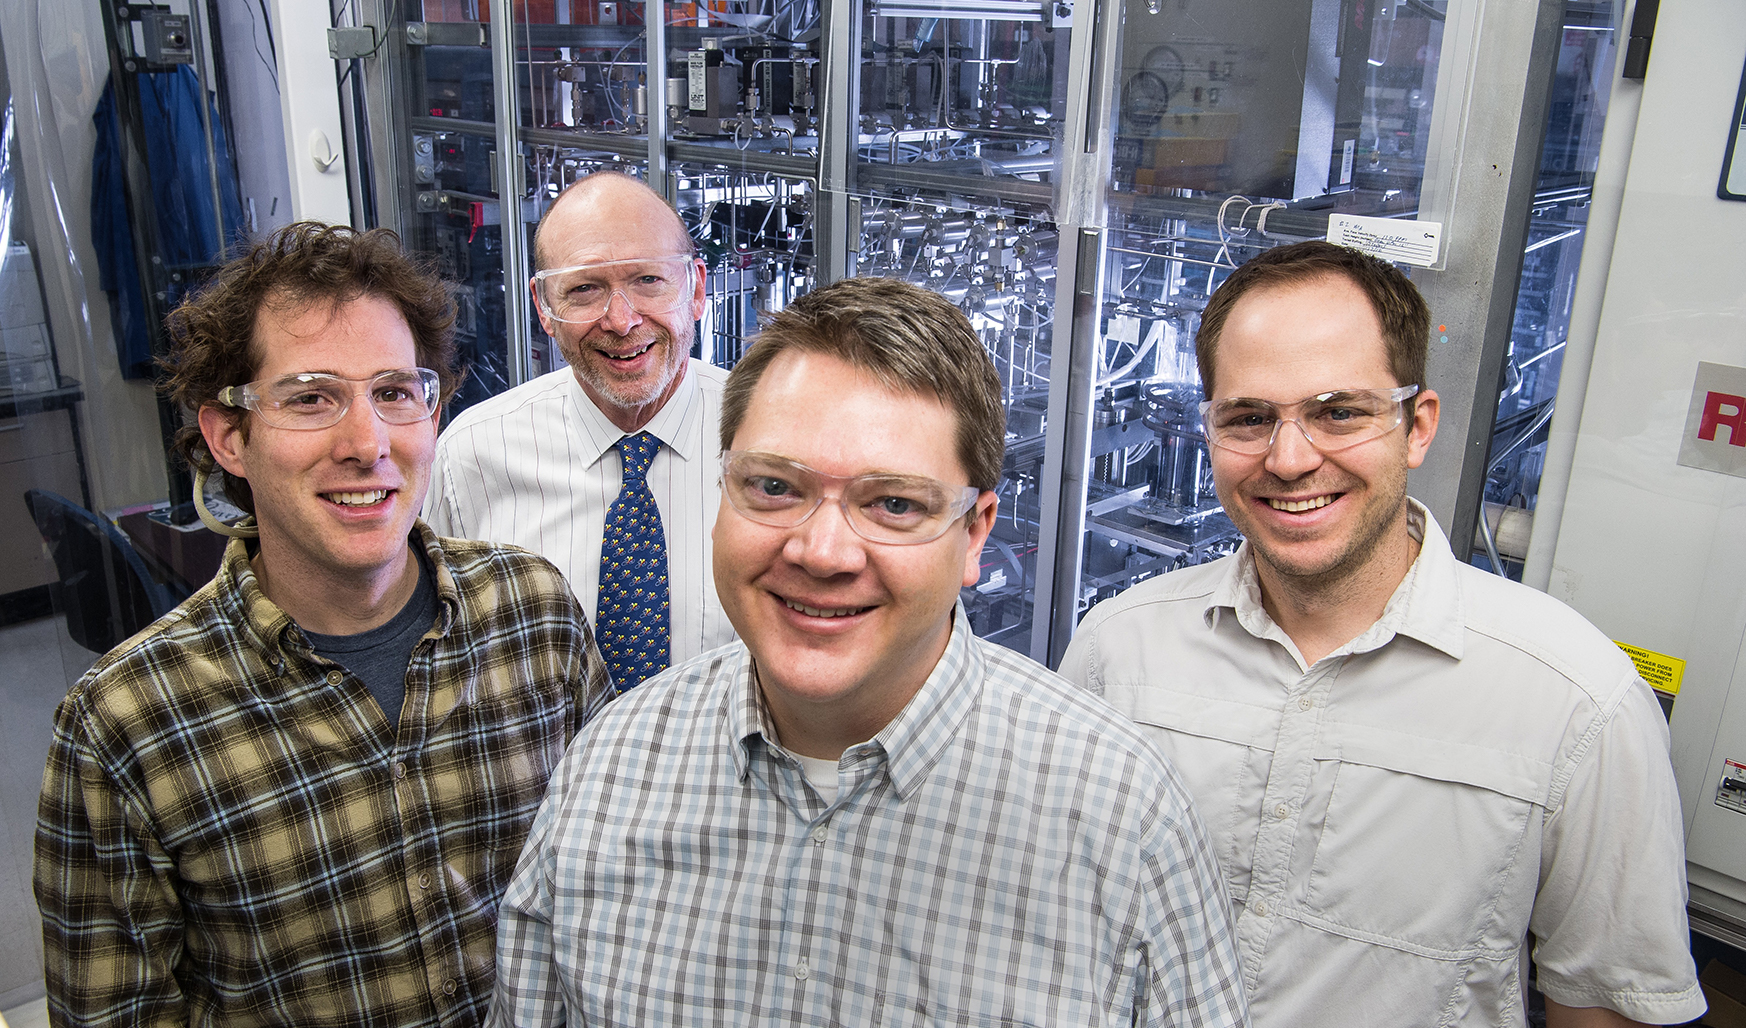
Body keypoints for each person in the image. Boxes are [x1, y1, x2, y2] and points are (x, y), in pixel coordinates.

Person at [489, 277, 1248, 1026]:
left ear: (976, 533)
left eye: (893, 504)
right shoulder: (611, 767)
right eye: (775, 487)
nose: (823, 552)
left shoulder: (1121, 819)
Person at [1059, 240, 1705, 1028]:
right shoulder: (1116, 650)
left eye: (1339, 413)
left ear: (1417, 427)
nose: (1289, 459)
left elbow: (1609, 1007)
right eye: (1249, 417)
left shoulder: (1575, 702)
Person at [34, 222, 614, 1028]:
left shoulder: (534, 614)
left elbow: (613, 885)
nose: (366, 443)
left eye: (393, 393)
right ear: (229, 436)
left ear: (433, 412)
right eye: (311, 397)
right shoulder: (126, 724)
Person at [423, 171, 731, 691]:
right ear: (544, 307)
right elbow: (438, 656)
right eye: (585, 289)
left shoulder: (771, 438)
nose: (621, 319)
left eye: (648, 280)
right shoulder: (470, 457)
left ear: (697, 289)